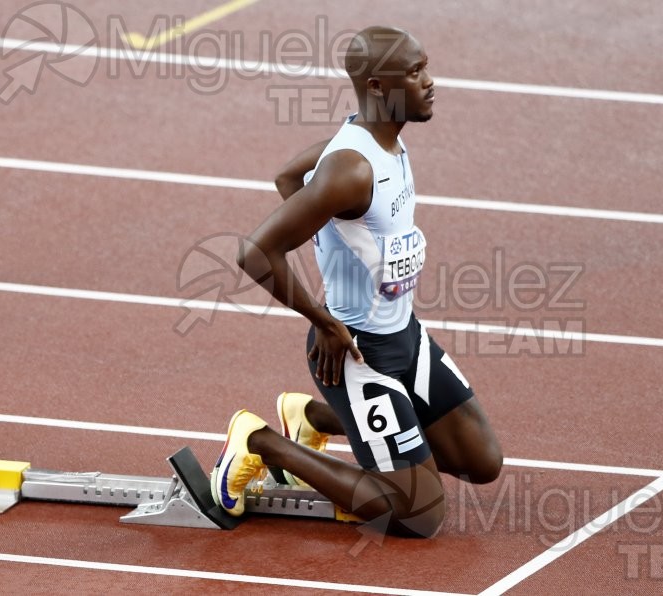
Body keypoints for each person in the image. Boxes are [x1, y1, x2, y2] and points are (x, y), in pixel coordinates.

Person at [210, 26, 502, 538]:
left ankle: (311, 419)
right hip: (355, 351)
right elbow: (255, 252)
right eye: (414, 72)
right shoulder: (351, 170)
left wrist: (332, 237)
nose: (429, 81)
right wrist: (324, 319)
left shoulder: (380, 143)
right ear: (376, 86)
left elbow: (288, 178)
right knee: (420, 515)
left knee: (481, 462)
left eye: (426, 67)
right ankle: (260, 442)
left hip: (406, 336)